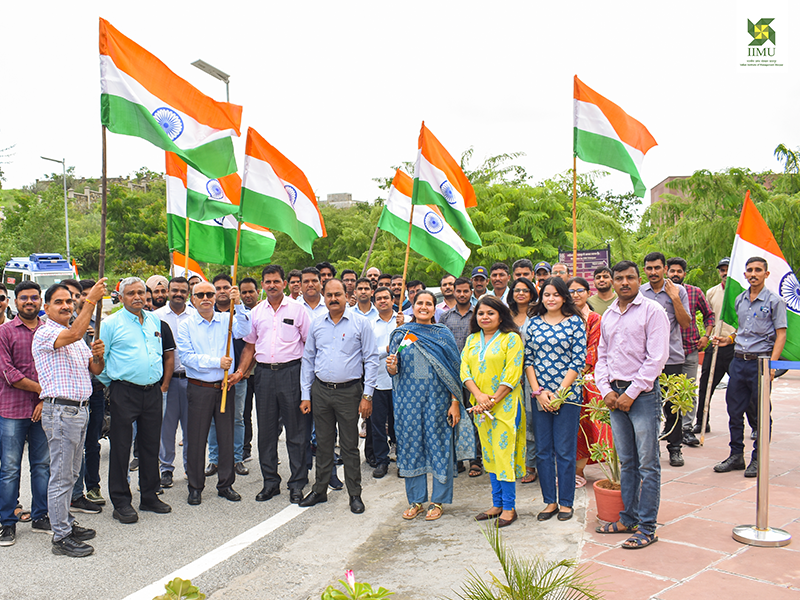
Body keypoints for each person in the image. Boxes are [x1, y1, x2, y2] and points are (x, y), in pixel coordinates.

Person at [594, 261, 669, 549]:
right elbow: (602, 357)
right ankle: (628, 518)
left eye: (630, 278)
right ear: (612, 282)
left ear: (639, 281)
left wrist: (632, 392)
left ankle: (647, 527)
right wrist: (606, 391)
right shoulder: (610, 314)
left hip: (643, 396)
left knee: (648, 464)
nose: (624, 282)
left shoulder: (653, 311)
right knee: (628, 462)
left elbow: (657, 358)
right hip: (615, 395)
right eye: (619, 278)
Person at [33, 279, 107, 557]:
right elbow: (77, 333)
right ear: (46, 307)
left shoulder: (73, 335)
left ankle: (65, 521)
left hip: (80, 409)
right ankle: (60, 537)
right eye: (59, 302)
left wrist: (99, 355)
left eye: (69, 301)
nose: (66, 305)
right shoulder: (45, 333)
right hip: (61, 411)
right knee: (62, 476)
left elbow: (96, 369)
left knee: (72, 473)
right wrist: (91, 301)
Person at [387, 290, 474, 521]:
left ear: (434, 308)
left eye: (428, 304)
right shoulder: (400, 334)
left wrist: (455, 402)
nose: (424, 307)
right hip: (408, 404)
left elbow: (455, 370)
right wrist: (391, 366)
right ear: (412, 307)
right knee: (411, 447)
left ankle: (438, 501)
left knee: (440, 449)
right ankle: (415, 500)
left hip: (439, 402)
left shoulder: (441, 334)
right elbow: (394, 372)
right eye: (419, 303)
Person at [299, 279, 379, 514]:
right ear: (324, 297)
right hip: (321, 391)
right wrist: (306, 394)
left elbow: (372, 359)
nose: (333, 299)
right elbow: (308, 359)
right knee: (323, 444)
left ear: (347, 295)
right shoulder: (317, 324)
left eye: (338, 294)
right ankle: (320, 490)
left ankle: (355, 494)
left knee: (349, 446)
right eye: (329, 295)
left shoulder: (360, 323)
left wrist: (368, 395)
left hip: (350, 392)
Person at [99, 277, 171, 524]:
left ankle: (150, 496)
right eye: (131, 293)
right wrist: (115, 385)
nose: (137, 297)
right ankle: (121, 502)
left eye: (141, 292)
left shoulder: (153, 319)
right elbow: (99, 362)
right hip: (124, 392)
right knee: (120, 448)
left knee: (150, 446)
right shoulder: (110, 324)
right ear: (120, 296)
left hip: (152, 392)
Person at [238, 266, 311, 504]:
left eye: (276, 281)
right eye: (268, 282)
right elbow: (250, 346)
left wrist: (308, 383)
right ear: (263, 285)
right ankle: (270, 482)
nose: (272, 285)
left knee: (296, 431)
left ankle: (297, 483)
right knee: (267, 432)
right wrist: (241, 371)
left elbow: (309, 346)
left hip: (292, 373)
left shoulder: (298, 310)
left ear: (284, 283)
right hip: (265, 376)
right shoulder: (257, 312)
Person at [713, 257, 786, 477]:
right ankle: (736, 455)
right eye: (749, 270)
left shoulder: (775, 301)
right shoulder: (740, 299)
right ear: (744, 274)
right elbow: (744, 329)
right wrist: (730, 339)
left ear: (766, 274)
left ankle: (758, 458)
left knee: (761, 413)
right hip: (739, 361)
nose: (753, 274)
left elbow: (781, 334)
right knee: (734, 411)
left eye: (758, 270)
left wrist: (772, 365)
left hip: (760, 362)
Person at [178, 281, 250, 505]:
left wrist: (238, 306)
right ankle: (195, 486)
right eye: (201, 295)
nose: (206, 298)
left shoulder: (226, 320)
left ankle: (226, 484)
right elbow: (187, 358)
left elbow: (246, 332)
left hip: (224, 388)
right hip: (199, 388)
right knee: (197, 439)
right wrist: (216, 362)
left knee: (226, 437)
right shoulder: (186, 325)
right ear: (193, 299)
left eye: (210, 293)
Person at [523, 277, 586, 522]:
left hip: (567, 397)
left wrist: (560, 393)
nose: (551, 299)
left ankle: (566, 502)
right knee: (543, 451)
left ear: (564, 297)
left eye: (556, 295)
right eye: (546, 295)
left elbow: (577, 361)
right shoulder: (533, 324)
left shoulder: (574, 323)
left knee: (565, 451)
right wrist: (539, 393)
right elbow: (527, 360)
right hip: (540, 397)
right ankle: (549, 501)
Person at [461, 296, 525, 527]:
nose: (485, 317)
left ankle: (509, 507)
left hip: (506, 406)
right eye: (481, 313)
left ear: (501, 315)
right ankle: (496, 504)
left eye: (490, 313)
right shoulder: (471, 340)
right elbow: (464, 369)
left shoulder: (511, 339)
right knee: (489, 454)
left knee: (503, 454)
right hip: (480, 407)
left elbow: (513, 373)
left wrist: (493, 399)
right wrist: (479, 396)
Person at [0, 282, 49, 547]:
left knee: (42, 466)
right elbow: (9, 374)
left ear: (41, 301)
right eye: (24, 298)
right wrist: (43, 390)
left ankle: (41, 516)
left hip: (44, 410)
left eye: (34, 297)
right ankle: (7, 522)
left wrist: (43, 398)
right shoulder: (4, 333)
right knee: (9, 468)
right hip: (11, 410)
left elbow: (55, 369)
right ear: (14, 301)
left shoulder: (49, 331)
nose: (29, 301)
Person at [641, 252, 691, 467]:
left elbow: (686, 322)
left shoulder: (678, 290)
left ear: (664, 269)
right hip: (646, 359)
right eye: (649, 268)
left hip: (672, 357)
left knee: (673, 406)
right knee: (647, 405)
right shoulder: (640, 292)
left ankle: (675, 448)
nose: (653, 272)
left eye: (657, 268)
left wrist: (675, 298)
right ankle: (651, 449)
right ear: (644, 270)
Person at [666, 257, 715, 447]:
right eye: (672, 271)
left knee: (688, 390)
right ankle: (670, 427)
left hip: (689, 349)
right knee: (667, 391)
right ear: (666, 272)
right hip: (667, 352)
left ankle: (686, 429)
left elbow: (709, 315)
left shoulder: (694, 292)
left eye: (679, 272)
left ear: (684, 274)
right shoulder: (659, 293)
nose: (675, 274)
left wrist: (706, 336)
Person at [568, 277, 609, 487]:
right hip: (562, 379)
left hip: (586, 379)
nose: (576, 295)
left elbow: (593, 349)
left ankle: (579, 471)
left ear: (587, 292)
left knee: (584, 425)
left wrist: (575, 373)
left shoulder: (595, 319)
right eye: (571, 291)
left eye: (580, 290)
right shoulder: (562, 318)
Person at [440, 278, 482, 477]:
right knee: (452, 417)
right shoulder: (446, 317)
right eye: (459, 291)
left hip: (474, 375)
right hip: (451, 374)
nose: (462, 294)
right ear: (454, 292)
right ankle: (456, 458)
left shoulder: (478, 315)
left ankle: (476, 459)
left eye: (466, 291)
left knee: (475, 416)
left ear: (471, 291)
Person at [154, 277, 193, 490]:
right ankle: (166, 469)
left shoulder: (196, 316)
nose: (179, 294)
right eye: (175, 290)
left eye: (183, 291)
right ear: (167, 291)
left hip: (191, 380)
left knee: (191, 428)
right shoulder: (155, 317)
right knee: (166, 428)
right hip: (166, 382)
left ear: (188, 293)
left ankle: (190, 467)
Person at [72, 279, 107, 507]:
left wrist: (99, 350)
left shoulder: (100, 323)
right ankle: (74, 493)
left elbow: (99, 362)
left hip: (94, 388)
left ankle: (93, 486)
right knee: (74, 445)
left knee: (93, 442)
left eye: (90, 294)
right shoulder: (65, 324)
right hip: (73, 392)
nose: (85, 298)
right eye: (81, 294)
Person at [693, 258, 737, 434]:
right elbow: (708, 316)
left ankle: (756, 425)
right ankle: (702, 422)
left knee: (742, 388)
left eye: (728, 269)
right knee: (705, 386)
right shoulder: (711, 292)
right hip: (715, 345)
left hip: (735, 346)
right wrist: (707, 335)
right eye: (722, 270)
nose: (725, 273)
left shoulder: (741, 293)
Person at [507, 277, 539, 485]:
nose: (520, 293)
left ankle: (532, 465)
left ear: (531, 293)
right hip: (509, 374)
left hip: (533, 374)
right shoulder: (506, 316)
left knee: (531, 420)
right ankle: (514, 463)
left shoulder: (538, 314)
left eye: (525, 290)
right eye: (517, 290)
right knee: (513, 420)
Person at [370, 287, 400, 478]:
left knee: (400, 424)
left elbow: (412, 342)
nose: (383, 301)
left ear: (392, 300)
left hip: (399, 382)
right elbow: (369, 352)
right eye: (379, 298)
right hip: (377, 381)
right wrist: (387, 349)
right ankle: (382, 460)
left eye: (386, 298)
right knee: (378, 424)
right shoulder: (369, 324)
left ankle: (403, 460)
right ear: (375, 302)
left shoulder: (403, 321)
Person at [238, 277, 260, 462]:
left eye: (250, 291)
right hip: (242, 374)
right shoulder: (236, 314)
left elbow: (257, 345)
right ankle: (245, 448)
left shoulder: (263, 313)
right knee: (244, 413)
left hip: (260, 372)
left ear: (257, 291)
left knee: (266, 413)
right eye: (243, 292)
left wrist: (249, 367)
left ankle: (269, 451)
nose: (247, 295)